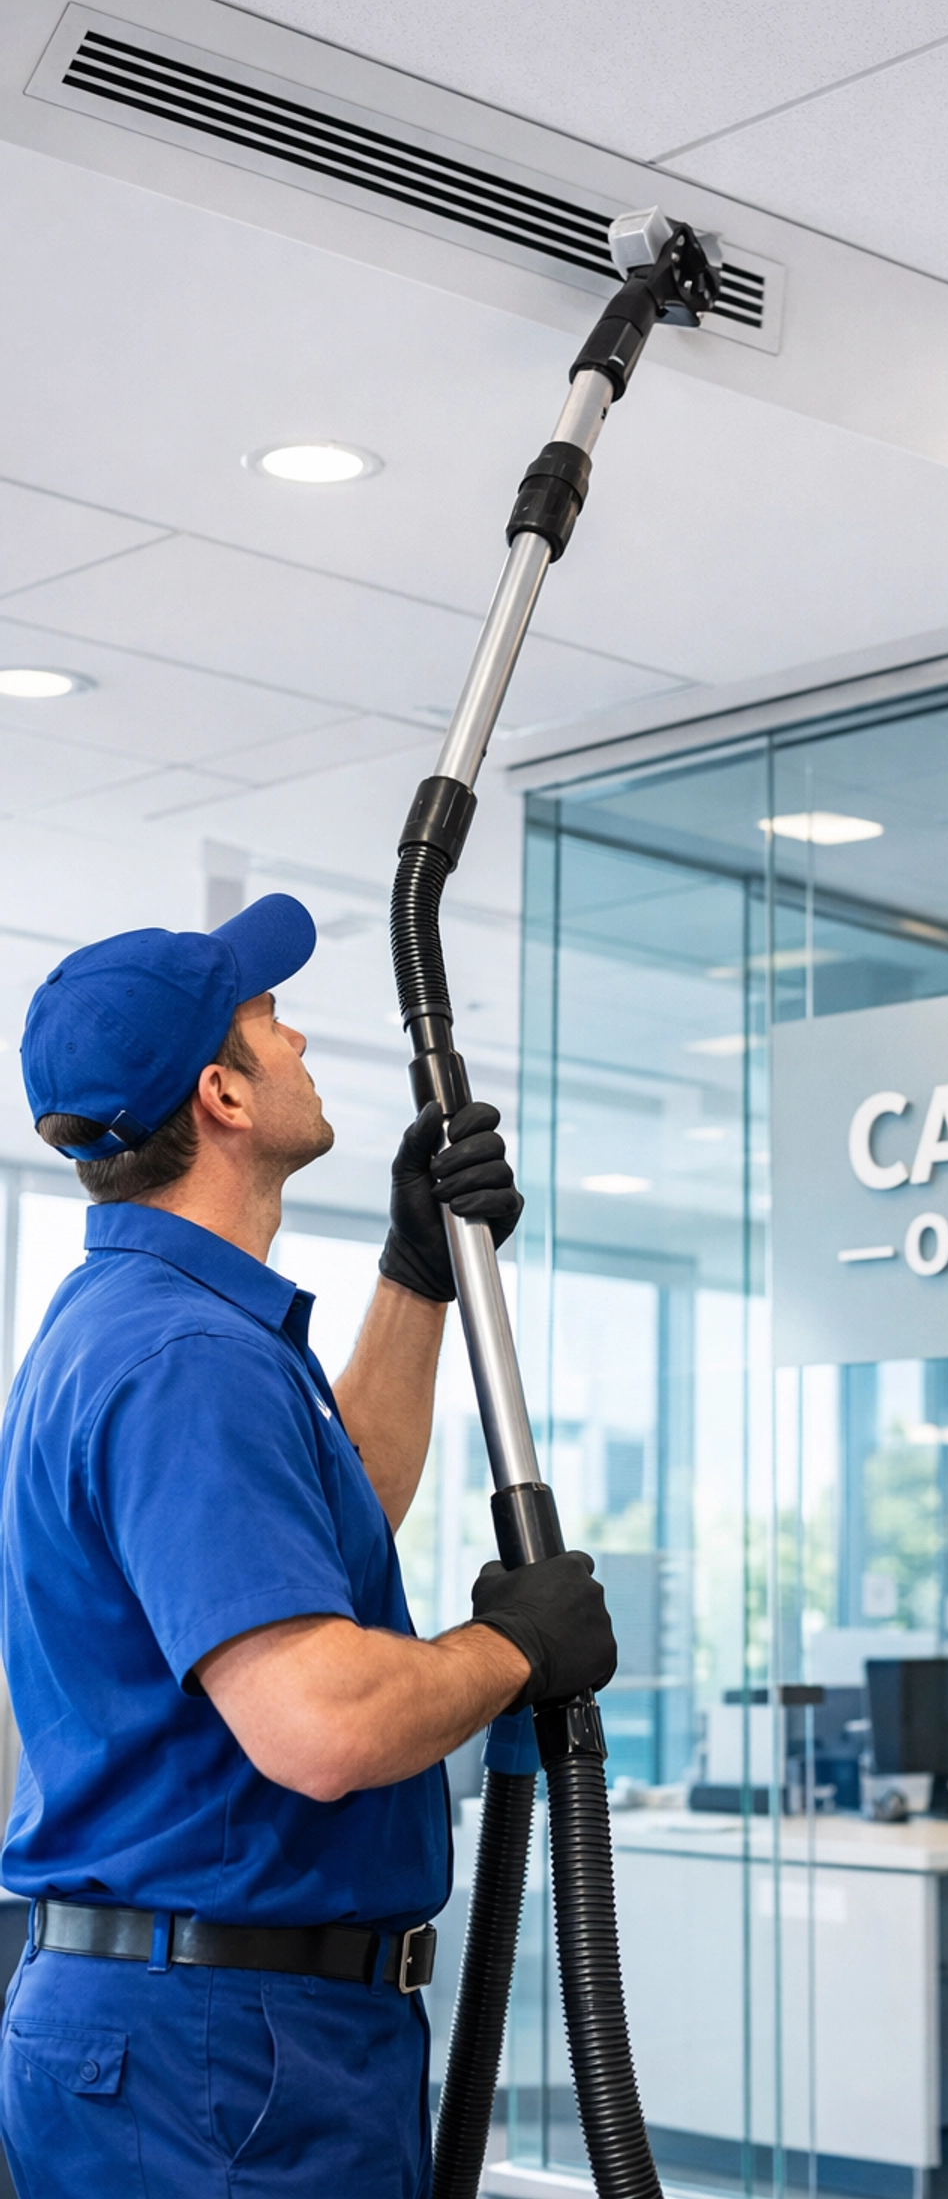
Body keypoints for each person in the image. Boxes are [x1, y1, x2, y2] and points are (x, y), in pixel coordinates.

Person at [0, 894, 616, 2198]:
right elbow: (320, 1723)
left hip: (207, 2026)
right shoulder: (189, 1358)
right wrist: (513, 1647)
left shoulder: (142, 1321)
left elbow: (330, 1526)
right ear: (222, 1093)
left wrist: (416, 1273)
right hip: (221, 2057)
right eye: (270, 1019)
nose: (297, 1040)